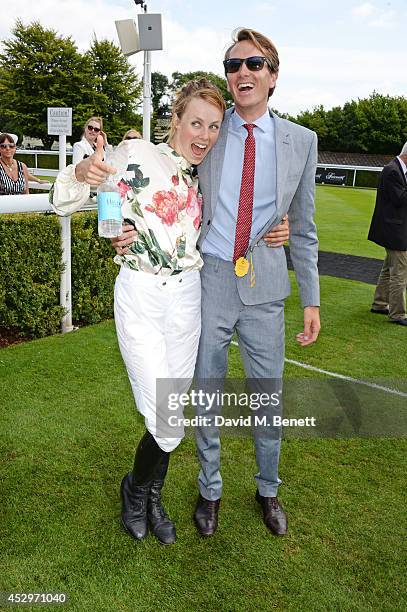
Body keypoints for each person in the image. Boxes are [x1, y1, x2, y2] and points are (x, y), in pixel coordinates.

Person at [113, 28, 319, 540]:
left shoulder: (302, 141)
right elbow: (145, 180)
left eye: (253, 64)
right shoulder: (210, 130)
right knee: (203, 395)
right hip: (209, 282)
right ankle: (210, 490)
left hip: (268, 288)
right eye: (233, 65)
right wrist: (118, 223)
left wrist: (311, 299)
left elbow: (306, 226)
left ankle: (267, 489)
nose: (242, 73)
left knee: (265, 396)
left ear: (273, 75)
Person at [368, 142, 407, 326]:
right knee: (399, 273)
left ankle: (379, 303)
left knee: (388, 269)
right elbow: (400, 199)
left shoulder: (395, 169)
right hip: (395, 231)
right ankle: (397, 314)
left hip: (394, 229)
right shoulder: (392, 170)